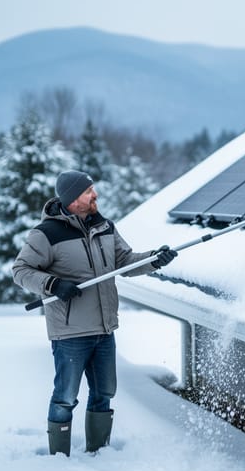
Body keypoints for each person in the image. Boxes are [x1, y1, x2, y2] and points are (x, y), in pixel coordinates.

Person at [12, 170, 177, 456]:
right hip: (70, 332)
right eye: (89, 191)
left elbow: (124, 261)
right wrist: (53, 284)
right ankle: (58, 457)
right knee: (65, 397)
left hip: (104, 329)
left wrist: (154, 260)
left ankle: (99, 454)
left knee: (104, 394)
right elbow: (21, 271)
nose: (95, 195)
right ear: (73, 198)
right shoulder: (46, 234)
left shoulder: (105, 226)